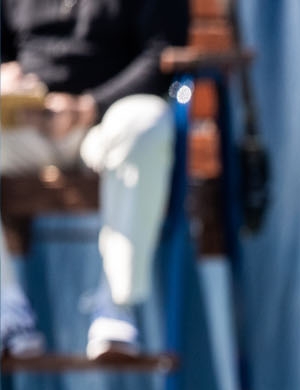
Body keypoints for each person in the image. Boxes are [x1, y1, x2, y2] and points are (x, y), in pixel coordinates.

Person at [0, 0, 189, 358]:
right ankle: (6, 312)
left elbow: (159, 58)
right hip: (25, 127)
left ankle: (116, 305)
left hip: (106, 123)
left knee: (146, 122)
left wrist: (88, 107)